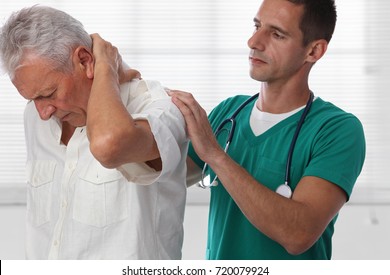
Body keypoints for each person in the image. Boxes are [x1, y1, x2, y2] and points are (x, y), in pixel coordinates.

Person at [168, 0, 366, 259]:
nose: (254, 42)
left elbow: (298, 235)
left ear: (314, 51)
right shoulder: (229, 112)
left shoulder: (336, 130)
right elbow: (161, 177)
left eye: (276, 34)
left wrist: (216, 155)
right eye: (257, 26)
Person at [0, 6, 188, 259]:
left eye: (48, 94)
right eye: (32, 99)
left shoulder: (159, 108)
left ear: (85, 60)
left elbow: (108, 146)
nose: (43, 112)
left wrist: (106, 68)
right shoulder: (36, 116)